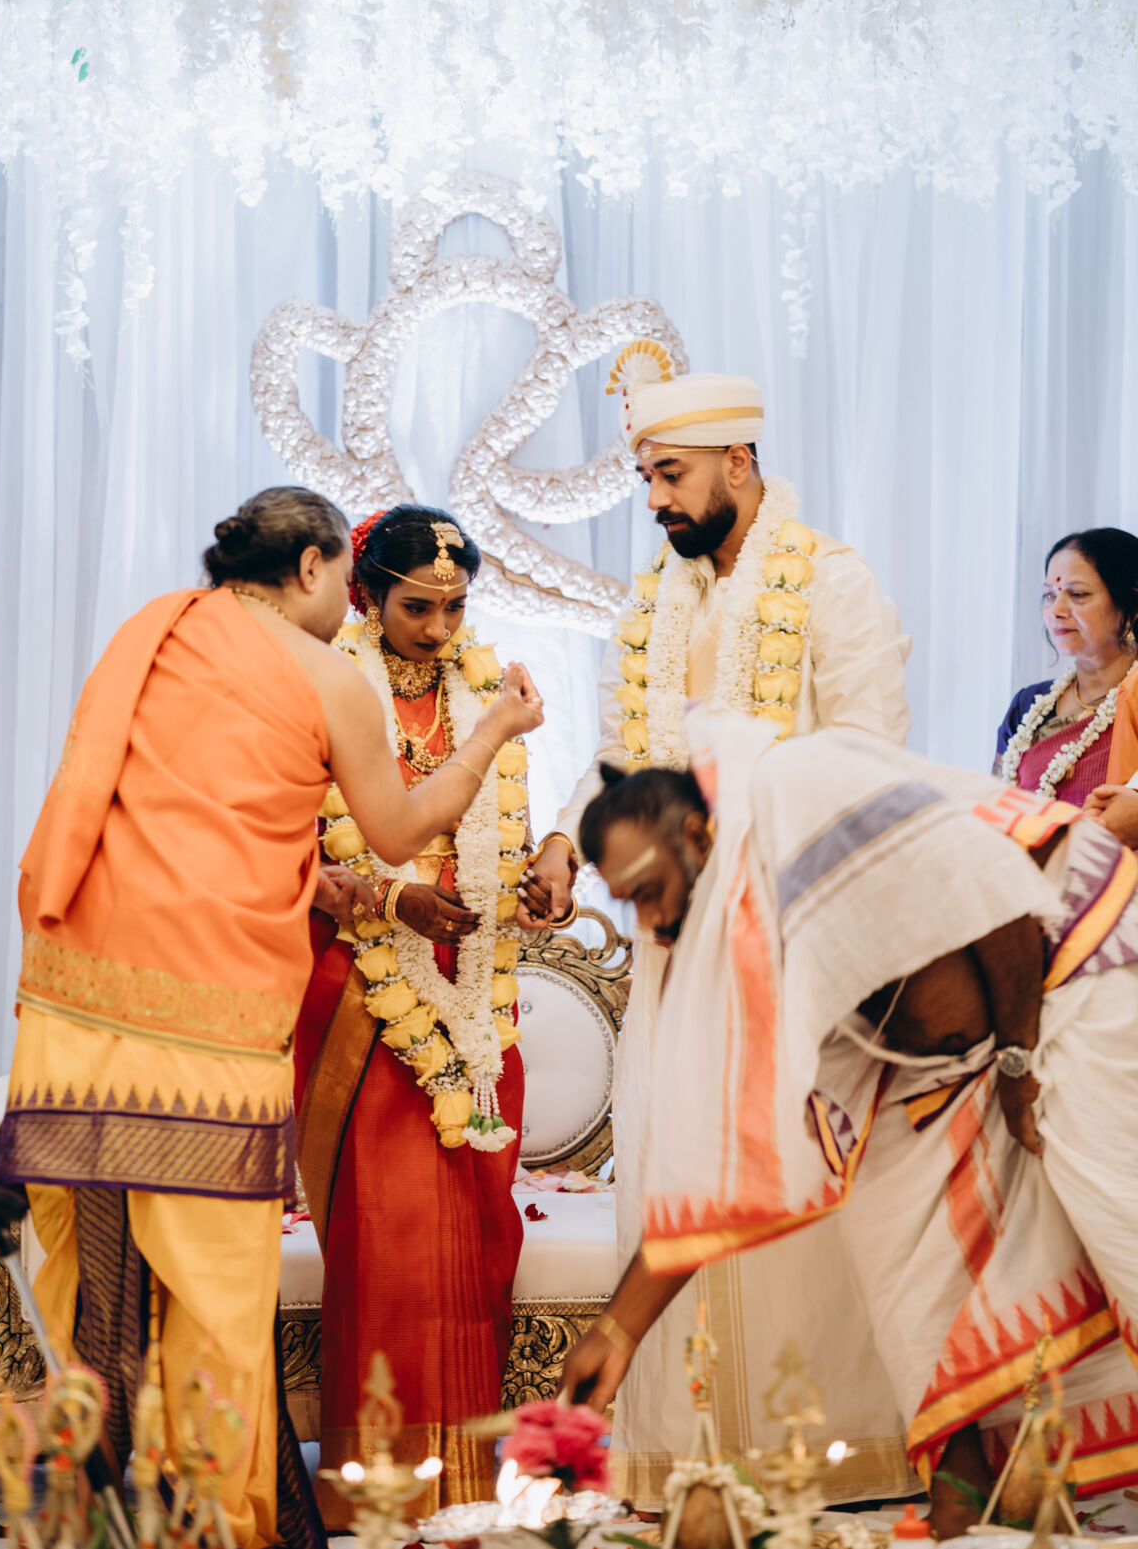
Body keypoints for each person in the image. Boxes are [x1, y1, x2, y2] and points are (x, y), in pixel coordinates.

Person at [0, 487, 543, 1549]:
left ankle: (100, 1502)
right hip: (205, 1008)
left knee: (105, 1273)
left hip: (77, 994)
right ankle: (210, 1515)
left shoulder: (149, 631)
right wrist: (497, 732)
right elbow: (397, 830)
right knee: (212, 1280)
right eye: (355, 584)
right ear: (316, 568)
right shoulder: (326, 674)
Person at [563, 731, 1138, 1538]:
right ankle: (965, 1498)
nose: (653, 922)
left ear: (695, 834)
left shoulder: (799, 789)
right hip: (936, 1062)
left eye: (652, 890)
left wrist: (1017, 1058)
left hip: (1066, 961)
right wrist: (618, 1329)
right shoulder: (720, 922)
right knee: (890, 1239)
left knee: (1116, 1212)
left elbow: (992, 884)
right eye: (634, 904)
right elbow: (724, 1152)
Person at [518, 342, 913, 1505]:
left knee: (784, 1182)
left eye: (671, 474)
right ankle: (686, 1462)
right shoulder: (657, 598)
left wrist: (741, 820)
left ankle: (813, 1461)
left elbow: (869, 760)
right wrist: (564, 837)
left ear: (738, 461)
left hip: (788, 941)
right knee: (673, 1161)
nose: (654, 499)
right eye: (646, 477)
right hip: (671, 952)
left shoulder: (828, 581)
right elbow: (622, 756)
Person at [295, 505, 553, 1525]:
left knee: (477, 1237)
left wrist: (545, 869)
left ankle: (470, 1490)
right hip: (367, 989)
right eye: (418, 607)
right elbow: (295, 846)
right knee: (390, 1235)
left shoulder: (486, 691)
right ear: (366, 595)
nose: (441, 628)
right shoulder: (329, 688)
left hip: (476, 983)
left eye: (455, 608)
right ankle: (382, 1496)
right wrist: (390, 897)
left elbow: (512, 825)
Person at [995, 528, 1138, 803]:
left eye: (1077, 594)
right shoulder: (1027, 706)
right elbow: (993, 802)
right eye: (1049, 595)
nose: (1056, 610)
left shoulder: (1134, 699)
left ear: (1131, 605)